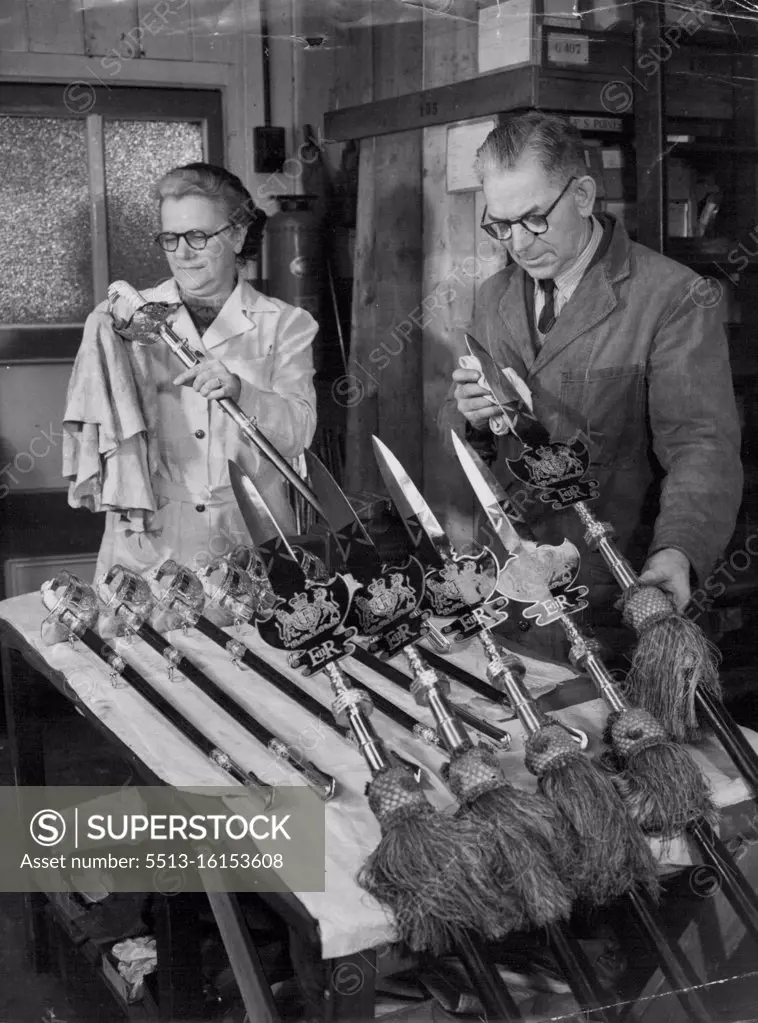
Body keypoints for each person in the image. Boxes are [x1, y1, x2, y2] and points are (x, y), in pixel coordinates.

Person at [441, 111, 742, 660]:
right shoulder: (492, 298)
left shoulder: (671, 297)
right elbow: (482, 446)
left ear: (582, 194)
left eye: (534, 220)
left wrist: (678, 552)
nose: (519, 246)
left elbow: (701, 446)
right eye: (500, 225)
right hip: (516, 588)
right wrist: (474, 419)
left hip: (615, 594)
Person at [63, 162, 317, 581]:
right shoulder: (126, 318)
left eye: (198, 236)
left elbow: (299, 434)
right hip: (154, 533)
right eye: (170, 238)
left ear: (237, 235)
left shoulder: (286, 323)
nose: (182, 252)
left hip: (250, 529)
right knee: (144, 644)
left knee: (258, 642)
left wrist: (243, 392)